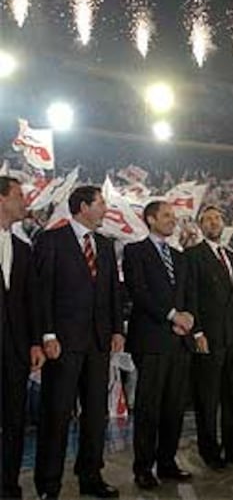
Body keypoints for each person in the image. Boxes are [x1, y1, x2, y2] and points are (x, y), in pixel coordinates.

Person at [34, 186, 124, 500]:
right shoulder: (51, 240)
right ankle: (48, 485)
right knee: (56, 414)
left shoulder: (105, 244)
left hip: (99, 343)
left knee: (95, 414)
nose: (106, 209)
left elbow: (113, 290)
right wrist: (47, 334)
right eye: (101, 204)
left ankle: (90, 476)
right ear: (83, 207)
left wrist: (116, 329)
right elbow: (42, 291)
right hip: (63, 342)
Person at [123, 201, 193, 490]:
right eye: (166, 216)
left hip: (179, 340)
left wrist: (186, 318)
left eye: (173, 217)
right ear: (151, 219)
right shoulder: (134, 251)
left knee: (174, 406)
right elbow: (138, 292)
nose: (172, 221)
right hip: (150, 340)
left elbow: (186, 295)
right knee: (149, 407)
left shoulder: (179, 256)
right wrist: (171, 315)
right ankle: (143, 468)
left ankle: (167, 462)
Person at [185, 206, 233, 470]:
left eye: (217, 218)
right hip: (208, 338)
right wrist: (198, 332)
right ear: (200, 225)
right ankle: (210, 451)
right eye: (208, 219)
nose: (214, 222)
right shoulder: (192, 256)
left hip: (232, 338)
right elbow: (191, 296)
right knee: (208, 398)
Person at [0, 176, 44, 499]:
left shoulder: (23, 248)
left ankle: (9, 484)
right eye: (19, 195)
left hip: (15, 351)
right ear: (1, 199)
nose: (24, 201)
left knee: (15, 423)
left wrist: (34, 342)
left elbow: (32, 301)